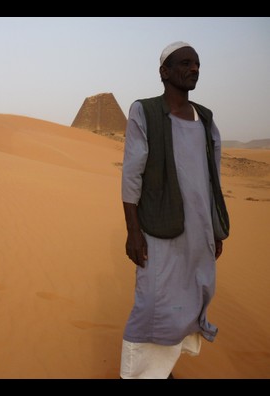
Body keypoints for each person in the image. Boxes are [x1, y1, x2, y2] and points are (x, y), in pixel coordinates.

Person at [119, 41, 230, 379]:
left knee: (189, 299)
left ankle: (162, 369)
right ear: (164, 72)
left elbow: (212, 178)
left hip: (200, 232)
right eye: (185, 63)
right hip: (158, 226)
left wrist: (215, 228)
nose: (193, 69)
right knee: (152, 300)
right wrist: (133, 231)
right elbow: (131, 174)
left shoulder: (206, 119)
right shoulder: (145, 111)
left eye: (196, 64)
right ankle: (136, 373)